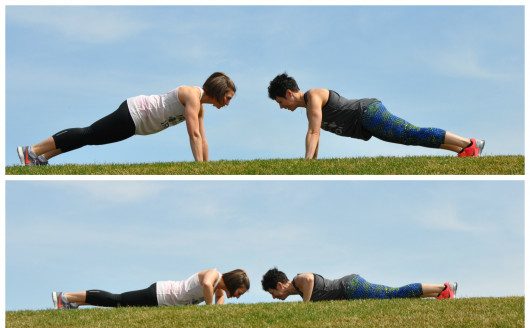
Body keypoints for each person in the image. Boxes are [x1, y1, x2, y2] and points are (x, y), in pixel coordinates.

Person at [17, 72, 236, 165]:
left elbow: (203, 140)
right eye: (227, 97)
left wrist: (205, 167)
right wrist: (199, 168)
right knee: (89, 133)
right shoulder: (191, 94)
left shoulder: (199, 109)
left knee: (89, 139)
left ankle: (40, 158)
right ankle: (32, 150)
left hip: (135, 125)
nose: (228, 102)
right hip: (133, 113)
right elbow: (194, 134)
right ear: (218, 91)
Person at [267, 72, 484, 159]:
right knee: (408, 138)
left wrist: (305, 165)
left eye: (280, 102)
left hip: (368, 112)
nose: (281, 107)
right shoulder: (310, 109)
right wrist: (312, 164)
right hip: (366, 124)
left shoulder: (314, 96)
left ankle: (470, 143)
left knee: (409, 132)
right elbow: (316, 135)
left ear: (288, 94)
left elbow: (314, 133)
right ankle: (463, 151)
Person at [52, 268, 249, 309]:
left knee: (118, 305)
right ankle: (66, 296)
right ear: (234, 284)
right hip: (160, 293)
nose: (239, 297)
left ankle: (72, 303)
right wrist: (209, 305)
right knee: (117, 299)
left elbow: (217, 308)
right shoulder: (214, 274)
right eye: (240, 292)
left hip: (162, 301)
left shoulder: (219, 290)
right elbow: (206, 284)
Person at [261, 268, 456, 302]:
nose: (273, 297)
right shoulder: (297, 289)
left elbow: (310, 279)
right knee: (394, 296)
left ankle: (443, 287)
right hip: (349, 287)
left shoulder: (298, 280)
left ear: (279, 285)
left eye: (272, 292)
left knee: (393, 293)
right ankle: (439, 295)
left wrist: (306, 303)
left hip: (350, 286)